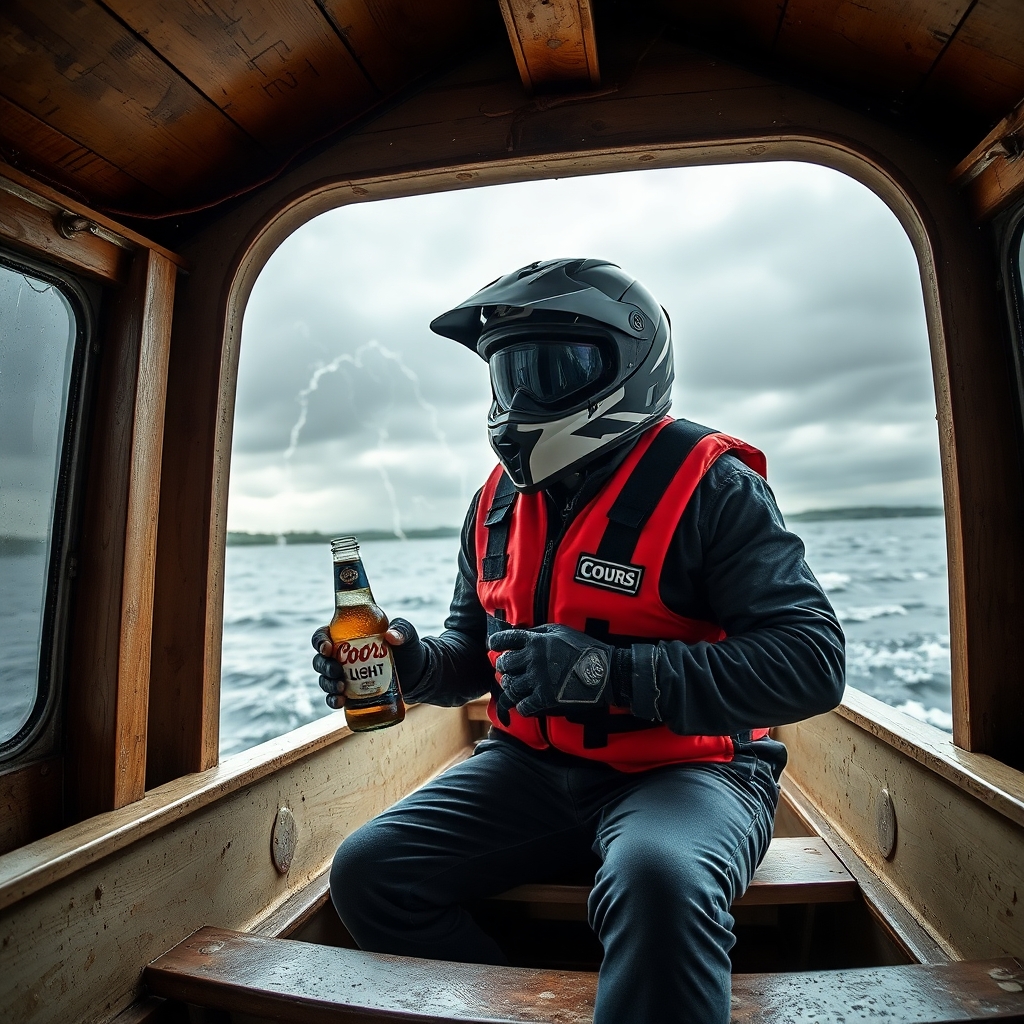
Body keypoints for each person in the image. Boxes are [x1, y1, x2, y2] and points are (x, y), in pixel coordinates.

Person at [312, 257, 845, 1024]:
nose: (521, 399)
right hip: (528, 769)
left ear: (628, 369)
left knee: (659, 881)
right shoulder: (494, 502)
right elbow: (473, 655)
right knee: (368, 872)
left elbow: (813, 662)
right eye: (508, 376)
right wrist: (409, 664)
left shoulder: (713, 486)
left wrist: (610, 674)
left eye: (550, 370)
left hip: (689, 774)